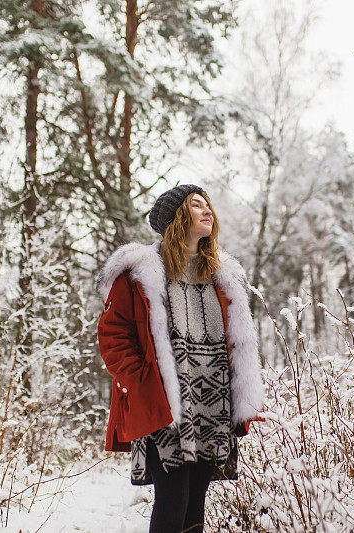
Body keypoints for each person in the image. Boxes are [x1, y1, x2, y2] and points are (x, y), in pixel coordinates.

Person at [96, 184, 265, 533]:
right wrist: (142, 381)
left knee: (195, 509)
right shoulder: (140, 274)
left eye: (208, 205)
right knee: (173, 502)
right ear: (177, 218)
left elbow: (238, 344)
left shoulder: (224, 275)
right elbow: (113, 337)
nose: (208, 211)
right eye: (196, 205)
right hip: (166, 406)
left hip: (213, 405)